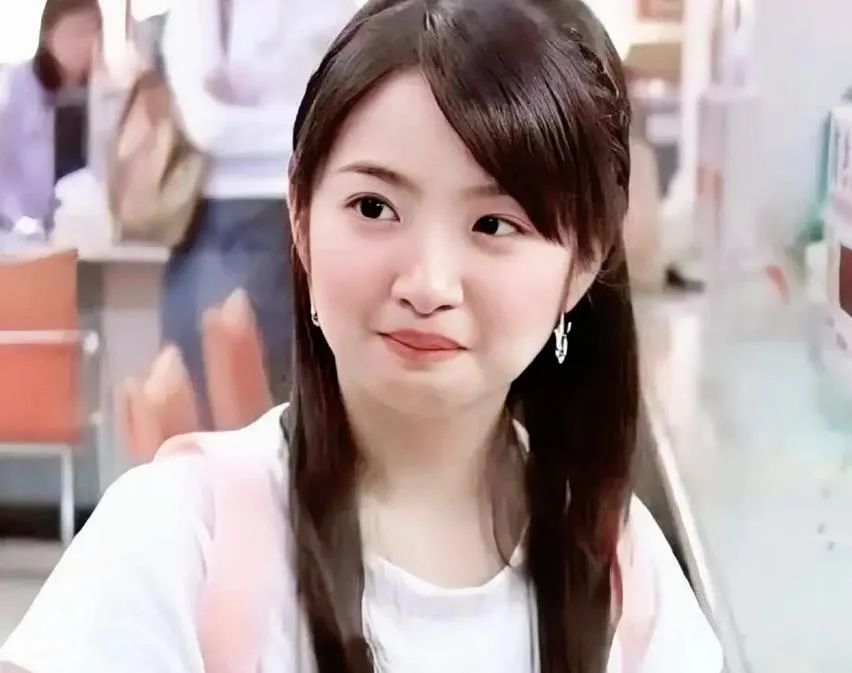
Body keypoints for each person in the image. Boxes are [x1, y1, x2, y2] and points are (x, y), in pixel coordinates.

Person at [0, 1, 724, 672]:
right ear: (302, 218)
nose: (428, 283)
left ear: (583, 263)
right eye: (374, 207)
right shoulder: (178, 540)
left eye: (494, 224)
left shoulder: (630, 581)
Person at [158, 0, 352, 421]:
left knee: (290, 408)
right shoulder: (208, 14)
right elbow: (206, 125)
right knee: (216, 409)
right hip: (227, 217)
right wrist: (318, 130)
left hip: (300, 209)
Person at [0, 0, 101, 224]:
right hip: (17, 226)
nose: (86, 43)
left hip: (81, 224)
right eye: (76, 32)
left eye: (93, 31)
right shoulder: (17, 85)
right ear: (49, 35)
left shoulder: (103, 91)